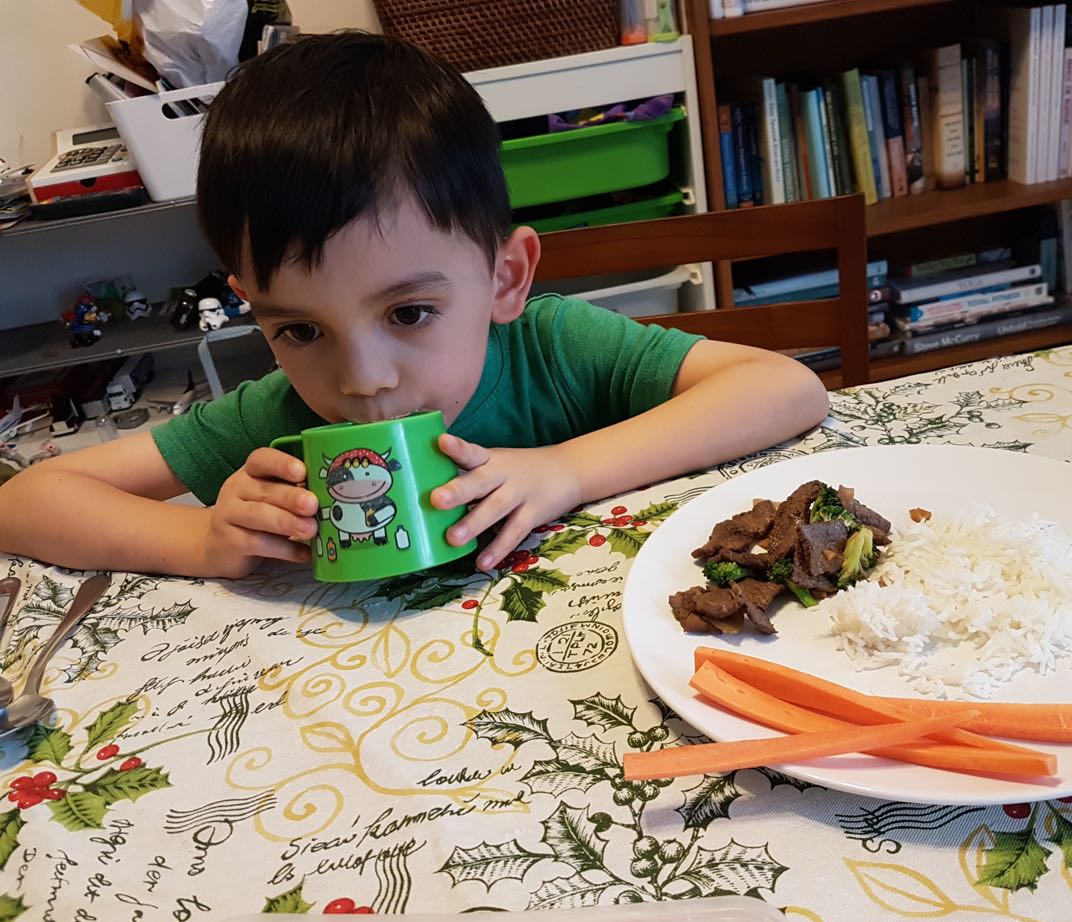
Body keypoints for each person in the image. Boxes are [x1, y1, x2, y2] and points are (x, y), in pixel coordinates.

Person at [0, 33, 828, 578]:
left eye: (407, 313)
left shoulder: (553, 351)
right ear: (252, 308)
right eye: (301, 329)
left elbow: (784, 388)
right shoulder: (274, 420)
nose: (360, 379)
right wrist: (202, 537)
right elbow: (24, 502)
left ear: (505, 279)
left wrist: (567, 470)